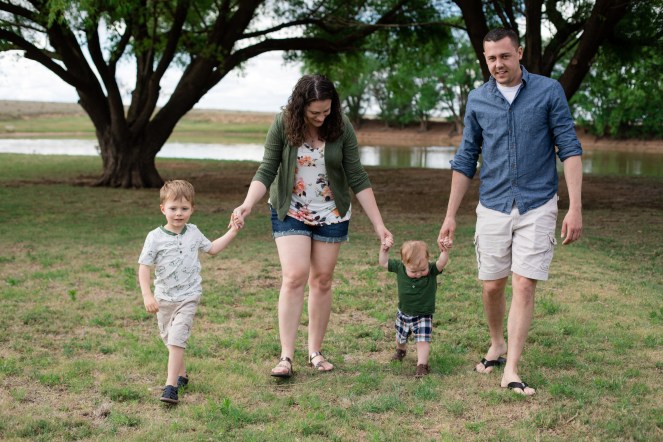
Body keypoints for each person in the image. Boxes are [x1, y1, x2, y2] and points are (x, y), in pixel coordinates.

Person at [437, 28, 583, 396]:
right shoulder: (478, 100)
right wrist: (450, 215)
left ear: (519, 52)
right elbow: (466, 158)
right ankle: (497, 343)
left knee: (524, 283)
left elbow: (569, 148)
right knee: (491, 286)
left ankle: (512, 368)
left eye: (504, 56)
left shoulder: (549, 91)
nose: (498, 64)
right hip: (493, 204)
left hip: (538, 203)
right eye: (491, 58)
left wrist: (574, 206)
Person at [231, 74, 393, 378]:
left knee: (322, 280)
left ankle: (315, 352)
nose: (321, 117)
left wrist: (378, 225)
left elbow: (357, 175)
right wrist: (247, 204)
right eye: (314, 112)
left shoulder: (341, 126)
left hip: (332, 211)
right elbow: (267, 168)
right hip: (291, 208)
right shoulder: (283, 123)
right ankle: (286, 357)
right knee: (294, 276)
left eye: (326, 111)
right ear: (300, 105)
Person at [138, 180, 239, 404]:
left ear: (192, 209)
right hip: (164, 298)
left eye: (184, 208)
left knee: (177, 339)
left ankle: (171, 386)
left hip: (188, 296)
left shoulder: (193, 232)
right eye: (173, 208)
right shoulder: (154, 237)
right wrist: (147, 295)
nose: (178, 213)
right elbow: (144, 267)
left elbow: (212, 249)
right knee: (169, 338)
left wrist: (233, 231)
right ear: (163, 209)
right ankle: (182, 375)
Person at [379, 239, 450, 378]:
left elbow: (442, 263)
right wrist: (384, 250)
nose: (418, 274)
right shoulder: (399, 267)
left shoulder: (432, 270)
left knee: (422, 340)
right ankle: (401, 350)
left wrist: (445, 251)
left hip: (424, 314)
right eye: (413, 271)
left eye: (423, 269)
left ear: (428, 260)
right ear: (404, 263)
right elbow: (383, 262)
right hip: (404, 312)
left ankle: (422, 365)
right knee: (400, 337)